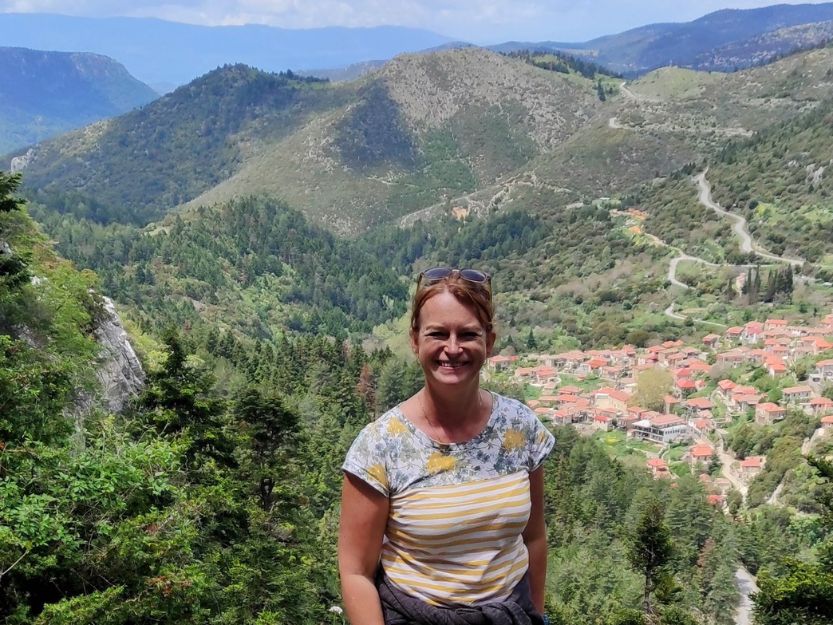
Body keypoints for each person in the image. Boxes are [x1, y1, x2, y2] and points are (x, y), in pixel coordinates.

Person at [338, 267, 555, 625]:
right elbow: (356, 572)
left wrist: (536, 614)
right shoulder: (380, 446)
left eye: (468, 334)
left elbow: (534, 538)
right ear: (415, 339)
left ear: (490, 340)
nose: (452, 349)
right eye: (438, 333)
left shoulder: (521, 428)